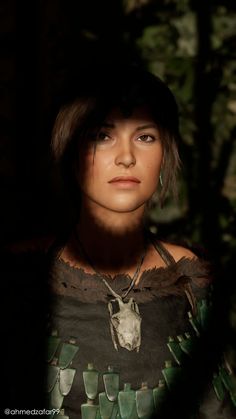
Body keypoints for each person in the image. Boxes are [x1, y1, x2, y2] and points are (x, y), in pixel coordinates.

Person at [2, 64, 235, 419]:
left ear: (165, 154)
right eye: (101, 136)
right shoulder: (19, 275)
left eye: (145, 137)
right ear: (69, 149)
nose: (126, 157)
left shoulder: (190, 279)